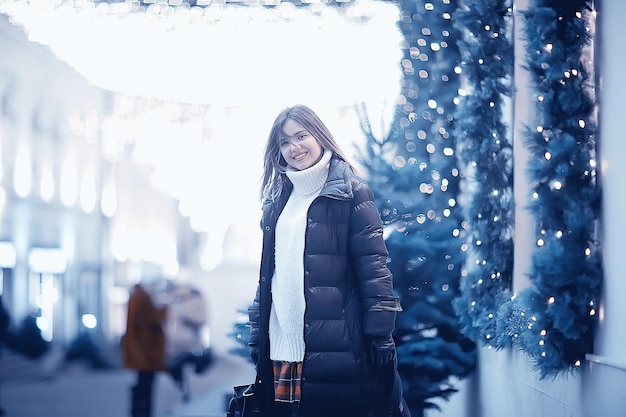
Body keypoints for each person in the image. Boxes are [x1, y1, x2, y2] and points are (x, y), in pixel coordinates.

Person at [248, 105, 410, 417]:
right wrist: (257, 338)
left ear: (319, 135)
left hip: (338, 350)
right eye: (284, 142)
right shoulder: (276, 203)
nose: (294, 147)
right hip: (282, 350)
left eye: (300, 135)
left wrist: (379, 338)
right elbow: (268, 278)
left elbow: (374, 271)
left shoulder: (351, 193)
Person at [122, 283, 168, 417]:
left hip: (142, 352)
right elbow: (152, 319)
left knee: (143, 385)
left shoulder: (136, 297)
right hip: (147, 353)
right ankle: (143, 413)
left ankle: (140, 411)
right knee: (146, 387)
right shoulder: (143, 298)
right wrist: (164, 308)